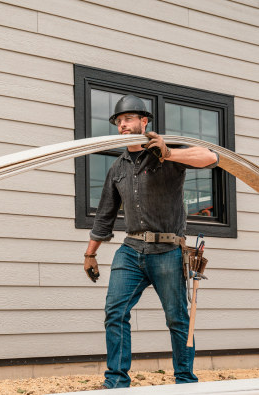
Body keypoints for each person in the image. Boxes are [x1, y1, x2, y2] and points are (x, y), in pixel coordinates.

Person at [83, 95, 219, 389]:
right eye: (119, 122)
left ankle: (185, 380)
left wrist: (169, 153)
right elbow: (105, 214)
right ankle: (117, 382)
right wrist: (90, 254)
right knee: (115, 313)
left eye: (128, 119)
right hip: (130, 251)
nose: (122, 125)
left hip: (168, 251)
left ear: (145, 122)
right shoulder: (117, 168)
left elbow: (210, 158)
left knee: (178, 319)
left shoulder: (167, 154)